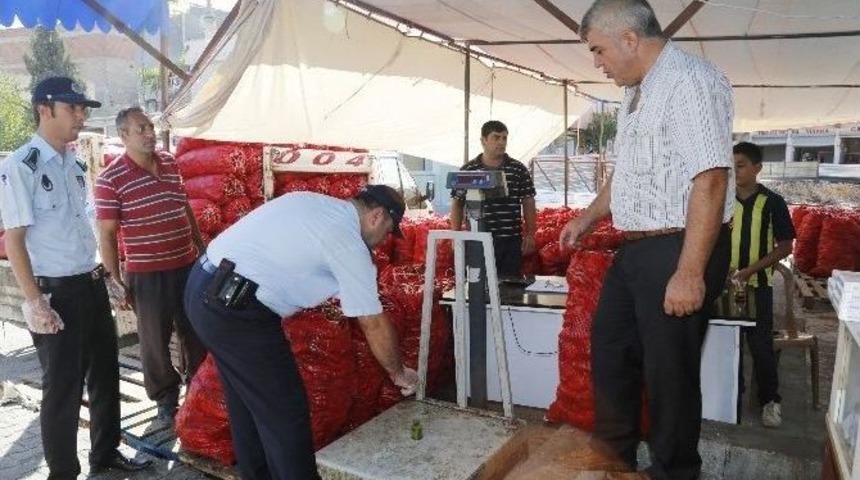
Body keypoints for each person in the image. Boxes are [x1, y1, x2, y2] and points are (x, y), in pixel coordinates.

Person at [558, 1, 734, 478]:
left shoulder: (690, 81)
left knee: (668, 374)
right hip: (636, 246)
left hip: (680, 245)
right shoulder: (636, 92)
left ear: (630, 39)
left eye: (599, 50)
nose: (597, 62)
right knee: (612, 352)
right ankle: (614, 464)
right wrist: (589, 218)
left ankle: (675, 472)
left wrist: (690, 272)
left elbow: (711, 178)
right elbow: (630, 171)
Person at [184, 185, 419, 479]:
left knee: (247, 403)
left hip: (204, 288)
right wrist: (398, 373)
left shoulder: (313, 204)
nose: (384, 241)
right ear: (377, 216)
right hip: (235, 309)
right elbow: (372, 321)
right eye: (388, 232)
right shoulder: (347, 241)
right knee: (285, 412)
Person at [0, 77, 151, 478]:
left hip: (90, 283)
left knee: (105, 374)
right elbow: (14, 240)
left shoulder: (74, 162)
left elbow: (81, 226)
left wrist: (106, 274)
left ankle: (105, 453)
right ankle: (64, 472)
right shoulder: (21, 167)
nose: (81, 116)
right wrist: (34, 302)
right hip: (57, 295)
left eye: (83, 108)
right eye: (72, 108)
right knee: (63, 389)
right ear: (44, 109)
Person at [94, 107, 207, 422]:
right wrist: (115, 279)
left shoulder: (169, 162)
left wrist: (201, 248)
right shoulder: (110, 179)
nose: (149, 134)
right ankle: (165, 399)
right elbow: (107, 234)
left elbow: (183, 206)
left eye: (150, 127)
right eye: (141, 129)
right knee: (155, 340)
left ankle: (198, 390)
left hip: (186, 264)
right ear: (123, 135)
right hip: (147, 274)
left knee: (195, 331)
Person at [730, 141, 794, 428]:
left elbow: (785, 247)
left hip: (758, 286)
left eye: (741, 166)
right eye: (732, 166)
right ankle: (732, 398)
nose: (735, 172)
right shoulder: (723, 200)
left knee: (760, 347)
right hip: (726, 286)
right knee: (729, 344)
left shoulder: (773, 202)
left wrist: (749, 271)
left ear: (757, 168)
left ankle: (770, 401)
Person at [449, 120, 537, 276]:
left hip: (510, 241)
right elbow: (457, 203)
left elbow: (528, 201)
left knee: (509, 284)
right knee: (478, 284)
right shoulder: (468, 170)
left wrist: (530, 234)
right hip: (477, 240)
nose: (501, 142)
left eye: (504, 138)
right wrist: (455, 235)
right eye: (496, 137)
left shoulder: (518, 169)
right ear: (483, 140)